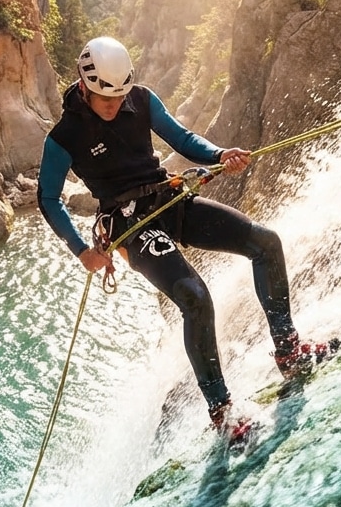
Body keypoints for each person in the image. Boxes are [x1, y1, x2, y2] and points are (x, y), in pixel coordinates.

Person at [37, 36, 313, 441]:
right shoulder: (65, 136)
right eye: (103, 98)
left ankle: (288, 349)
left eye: (119, 96)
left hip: (170, 200)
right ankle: (222, 411)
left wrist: (219, 155)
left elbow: (182, 139)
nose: (113, 105)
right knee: (195, 297)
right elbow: (48, 197)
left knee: (265, 242)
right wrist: (81, 251)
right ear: (84, 87)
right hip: (130, 225)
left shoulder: (142, 100)